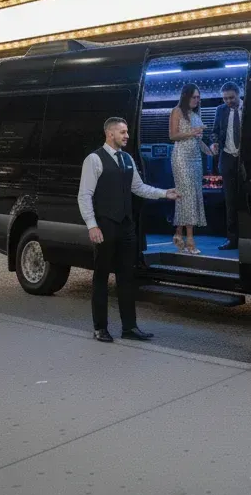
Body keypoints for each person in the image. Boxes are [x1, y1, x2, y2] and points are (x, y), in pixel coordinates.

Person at [77, 116, 178, 343]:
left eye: (126, 132)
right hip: (104, 225)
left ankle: (129, 327)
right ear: (110, 133)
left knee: (127, 277)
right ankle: (100, 328)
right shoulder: (94, 159)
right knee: (101, 277)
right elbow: (84, 195)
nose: (127, 136)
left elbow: (139, 188)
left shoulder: (127, 159)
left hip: (125, 226)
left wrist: (164, 193)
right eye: (123, 132)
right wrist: (92, 225)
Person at [169, 82, 214, 255]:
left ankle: (178, 234)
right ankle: (190, 241)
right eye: (194, 97)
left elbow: (198, 140)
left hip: (196, 158)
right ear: (186, 96)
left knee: (191, 195)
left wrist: (210, 151)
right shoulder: (177, 111)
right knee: (186, 196)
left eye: (198, 97)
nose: (197, 100)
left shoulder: (195, 114)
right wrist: (192, 132)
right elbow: (173, 135)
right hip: (181, 158)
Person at [210, 81, 242, 251]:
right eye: (225, 99)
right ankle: (232, 239)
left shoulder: (248, 108)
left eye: (231, 97)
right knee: (230, 202)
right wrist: (214, 143)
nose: (228, 101)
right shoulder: (220, 110)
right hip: (228, 157)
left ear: (239, 94)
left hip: (246, 159)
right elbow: (214, 132)